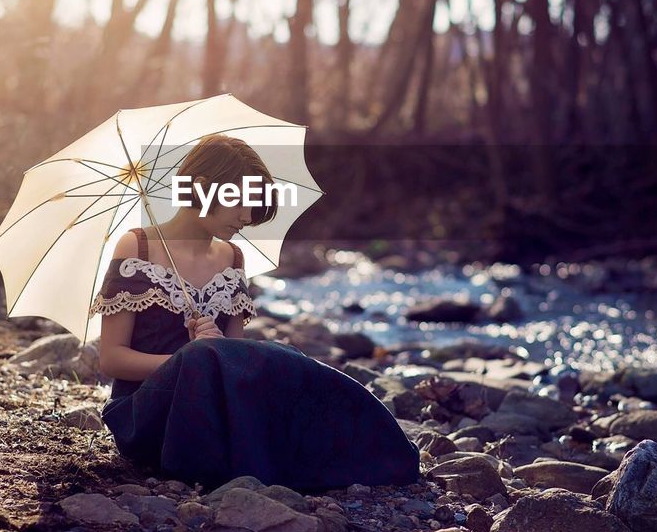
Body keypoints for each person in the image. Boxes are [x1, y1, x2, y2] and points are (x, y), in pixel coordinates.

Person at [90, 134, 421, 493]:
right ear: (201, 189)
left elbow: (238, 364)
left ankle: (383, 450)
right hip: (147, 414)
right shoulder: (137, 245)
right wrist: (187, 359)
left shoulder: (232, 258)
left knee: (285, 359)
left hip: (217, 409)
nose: (247, 218)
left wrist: (219, 355)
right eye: (240, 204)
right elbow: (111, 359)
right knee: (204, 358)